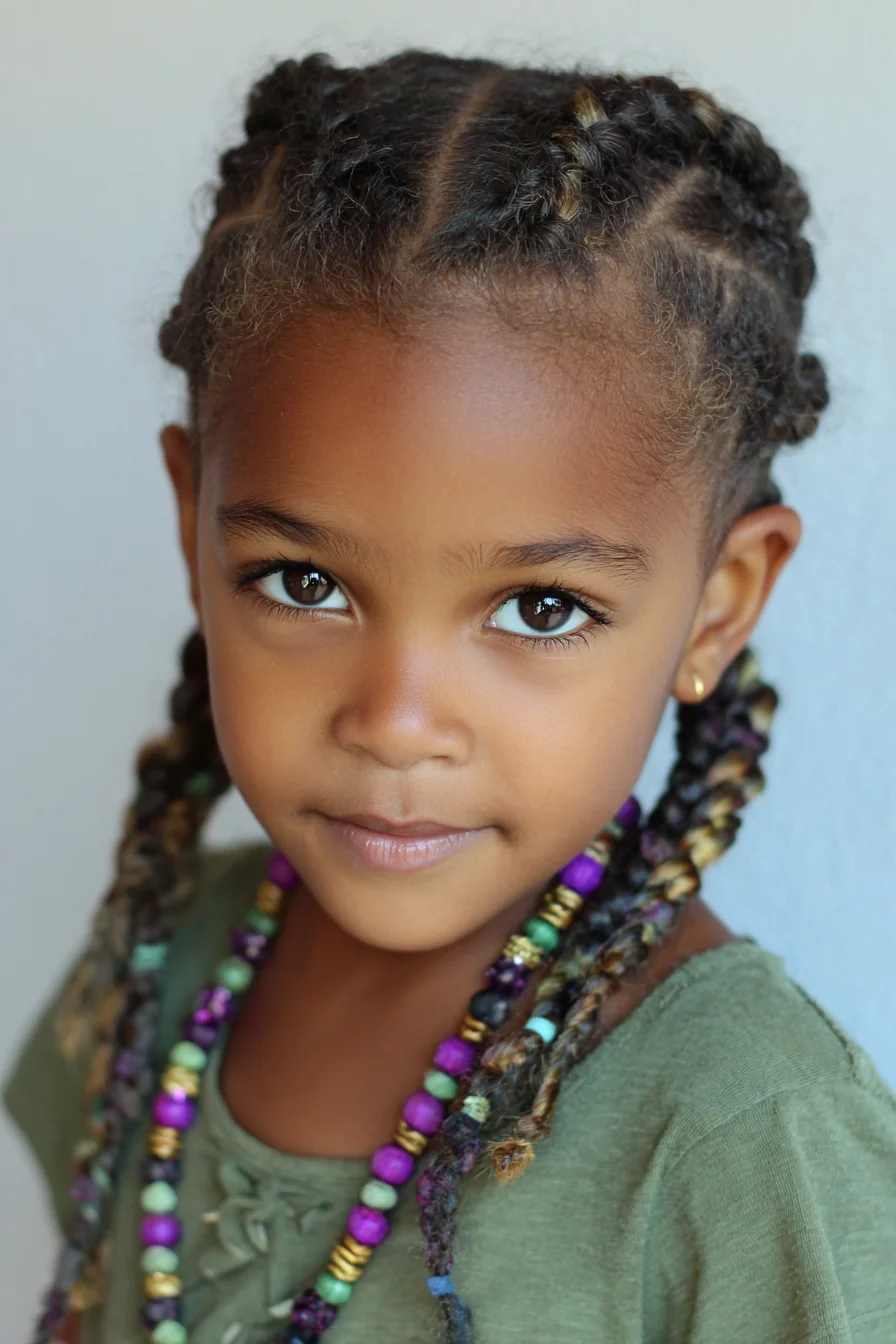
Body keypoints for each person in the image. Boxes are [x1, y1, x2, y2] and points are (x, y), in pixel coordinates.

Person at [5, 48, 896, 1344]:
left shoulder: (744, 1131)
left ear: (719, 603)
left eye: (541, 609)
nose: (396, 721)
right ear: (194, 525)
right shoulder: (157, 963)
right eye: (304, 582)